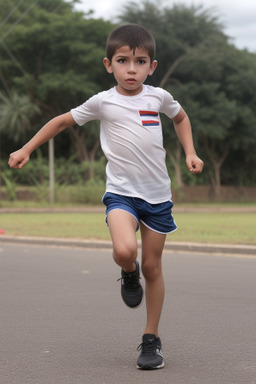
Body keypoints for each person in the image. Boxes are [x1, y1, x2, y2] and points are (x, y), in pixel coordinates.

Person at [8, 24, 204, 370]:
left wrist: (190, 151)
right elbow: (61, 122)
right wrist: (27, 147)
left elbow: (182, 118)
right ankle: (128, 272)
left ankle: (151, 339)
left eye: (140, 61)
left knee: (153, 266)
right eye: (123, 60)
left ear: (152, 66)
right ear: (108, 64)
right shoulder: (103, 101)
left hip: (158, 196)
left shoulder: (158, 97)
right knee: (125, 250)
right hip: (121, 194)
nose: (132, 69)